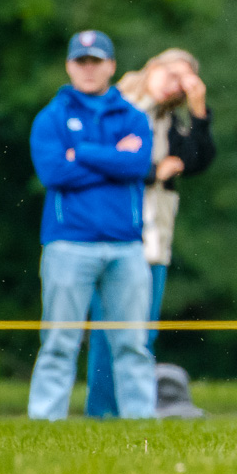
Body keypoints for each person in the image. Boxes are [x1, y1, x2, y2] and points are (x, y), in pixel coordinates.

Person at [26, 30, 158, 421]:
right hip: (68, 243)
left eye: (96, 61)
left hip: (126, 245)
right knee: (59, 342)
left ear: (111, 66)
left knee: (133, 343)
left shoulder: (133, 117)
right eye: (81, 61)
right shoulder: (50, 118)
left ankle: (141, 421)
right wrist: (113, 158)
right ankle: (44, 421)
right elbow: (54, 172)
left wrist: (81, 153)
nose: (88, 69)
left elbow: (138, 165)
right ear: (69, 66)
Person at [85, 47, 215, 418]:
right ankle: (102, 413)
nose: (176, 87)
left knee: (144, 330)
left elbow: (199, 159)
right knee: (109, 330)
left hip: (156, 237)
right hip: (114, 230)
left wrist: (198, 108)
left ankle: (136, 411)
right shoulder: (116, 105)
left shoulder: (167, 119)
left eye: (184, 84)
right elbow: (100, 160)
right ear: (154, 66)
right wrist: (153, 171)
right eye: (173, 76)